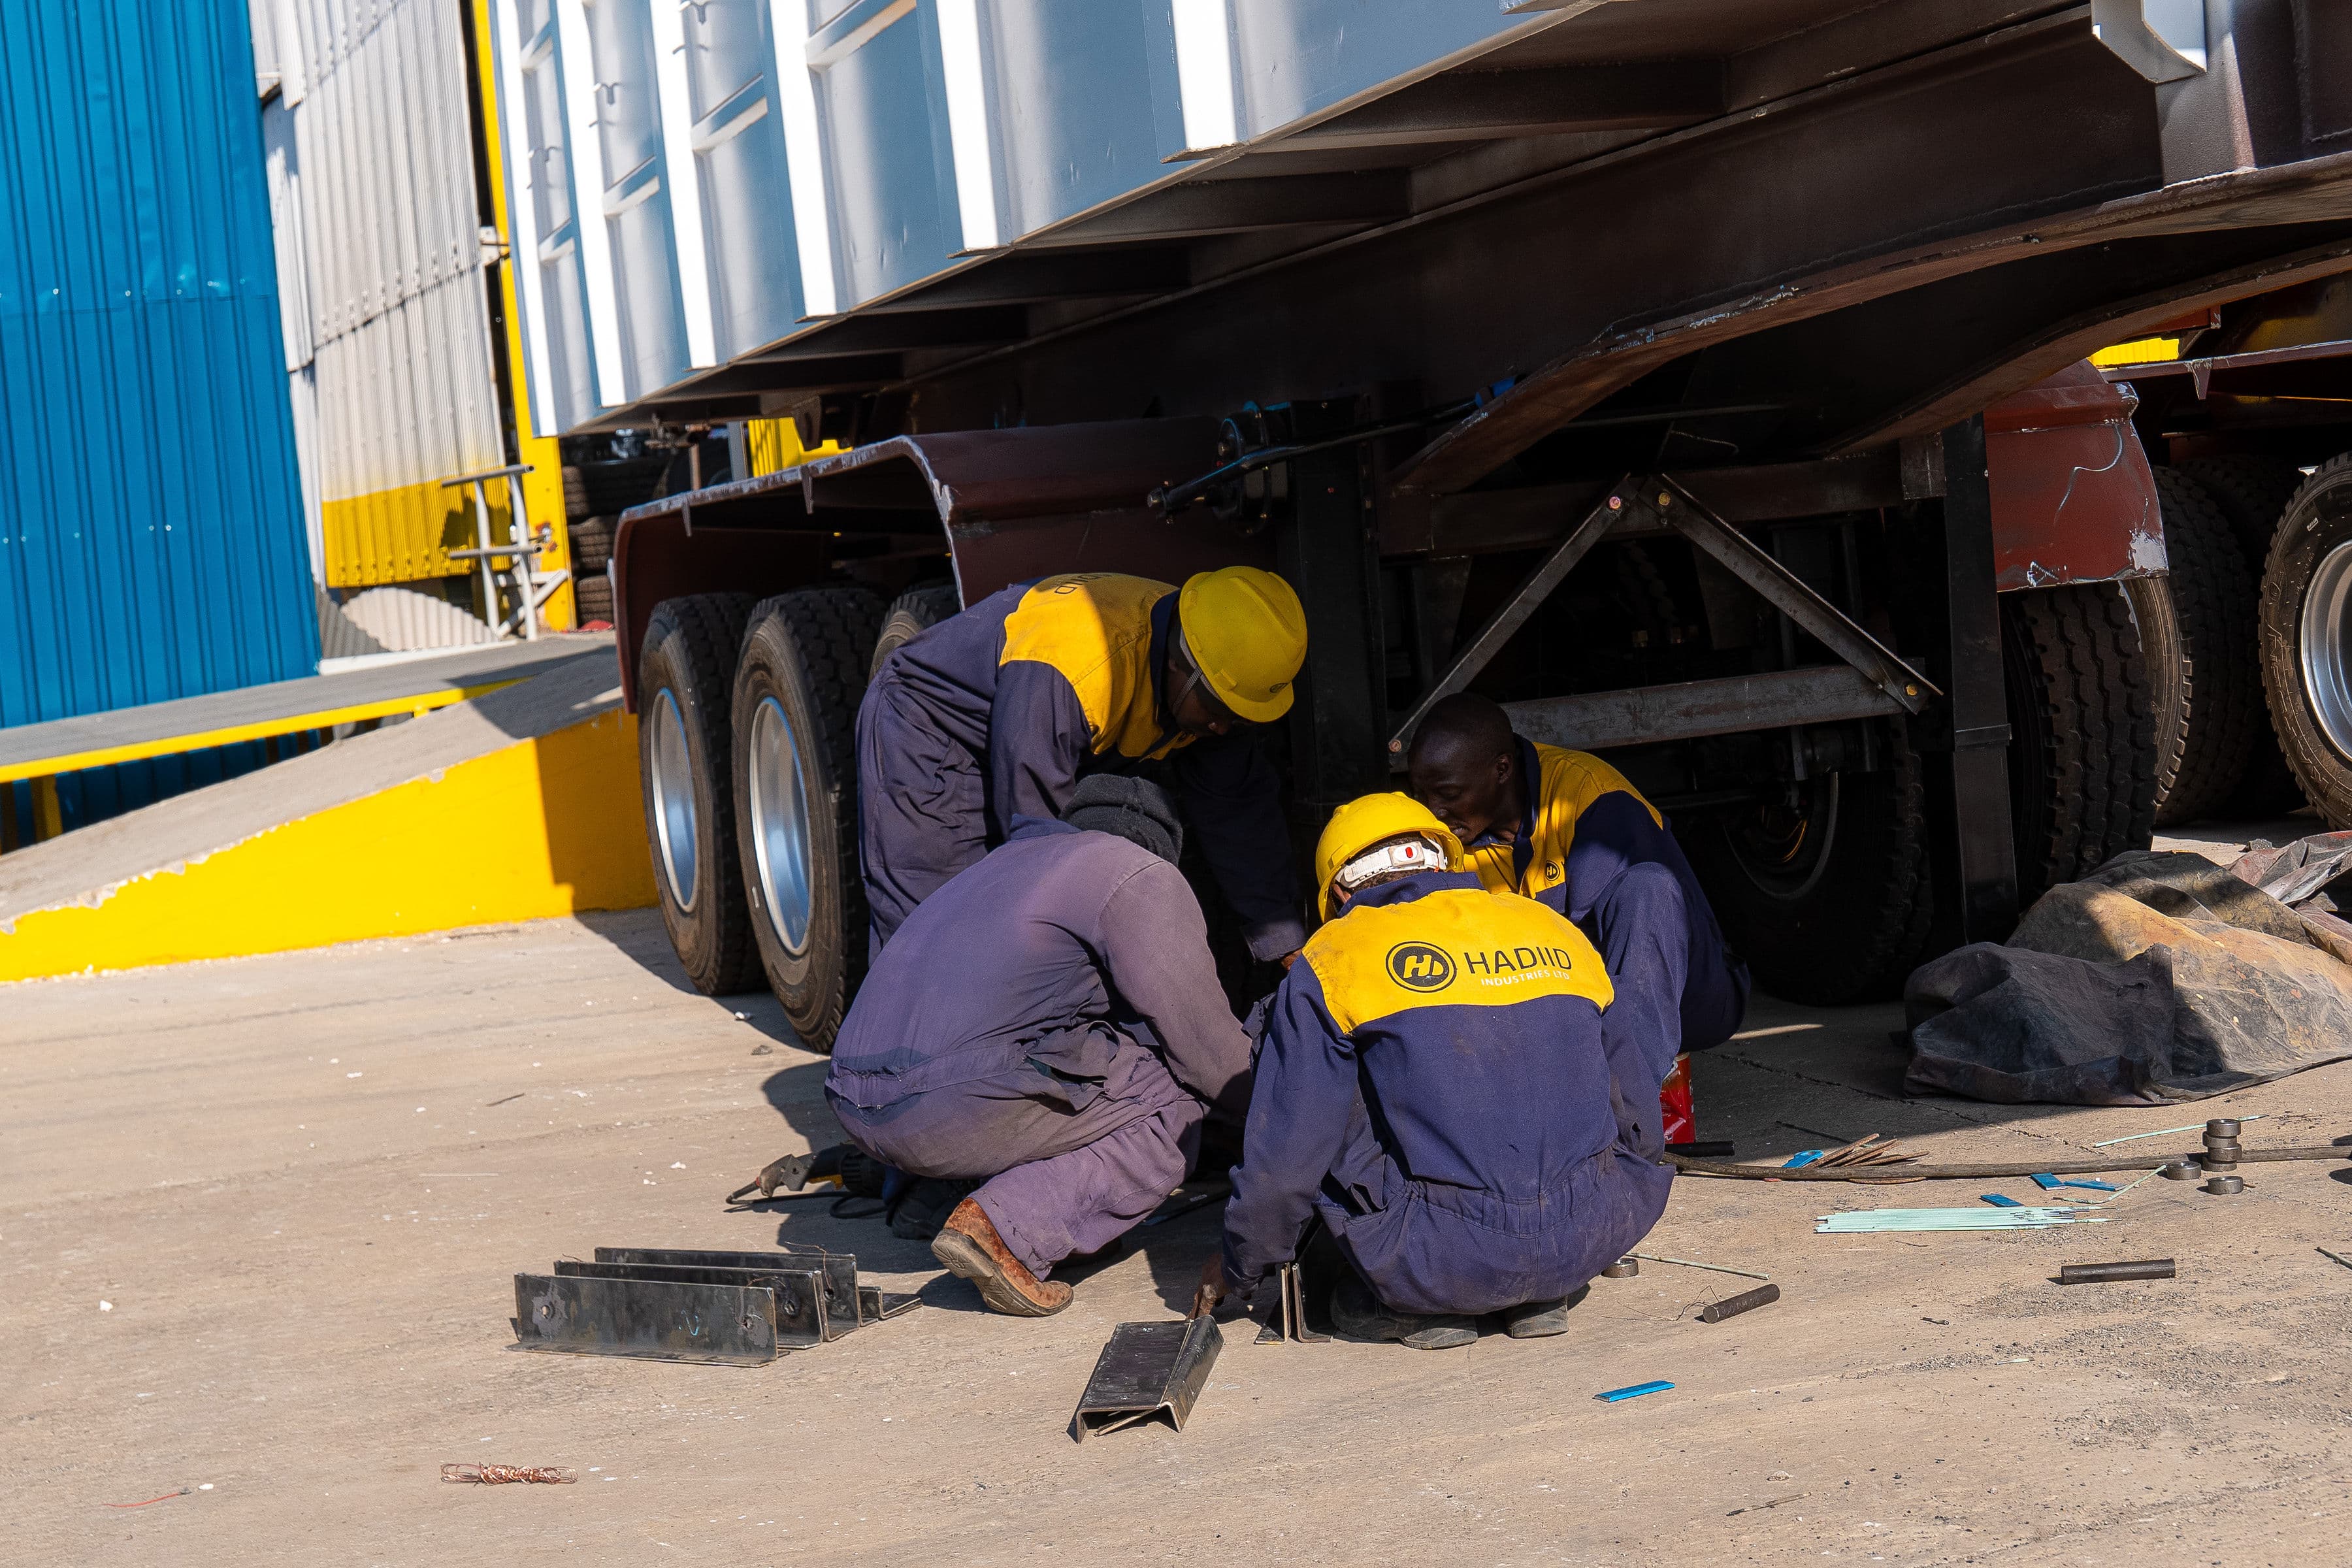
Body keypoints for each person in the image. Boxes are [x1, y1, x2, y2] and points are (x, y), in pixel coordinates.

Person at [1196, 794, 1672, 1348]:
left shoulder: (1335, 958)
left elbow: (1287, 1158)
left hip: (1431, 1264)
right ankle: (1537, 1291)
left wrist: (1241, 1264)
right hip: (1591, 1236)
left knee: (1287, 1043)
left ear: (1342, 893)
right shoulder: (1550, 926)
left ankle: (1433, 1307)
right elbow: (1636, 1108)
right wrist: (1599, 1207)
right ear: (1445, 862)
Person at [825, 776, 1252, 1317]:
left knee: (1081, 1059)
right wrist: (1282, 1125)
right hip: (940, 1108)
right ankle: (1005, 1230)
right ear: (1162, 847)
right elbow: (1209, 1057)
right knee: (1174, 1097)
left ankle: (936, 1207)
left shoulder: (1005, 864)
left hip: (854, 1101)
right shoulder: (1135, 874)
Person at [856, 567, 1308, 961]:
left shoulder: (1214, 658)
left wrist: (1283, 943)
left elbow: (1240, 816)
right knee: (939, 926)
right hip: (931, 731)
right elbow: (1033, 835)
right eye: (1216, 709)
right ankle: (903, 1058)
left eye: (1237, 715)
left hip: (1023, 728)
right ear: (1177, 664)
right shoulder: (1076, 663)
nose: (1223, 728)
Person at [1407, 691, 1748, 1069]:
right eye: (1420, 794)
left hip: (1684, 996)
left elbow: (1600, 957)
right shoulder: (1443, 835)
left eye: (1449, 794)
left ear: (1502, 770)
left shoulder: (1592, 796)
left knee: (1648, 889)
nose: (1432, 812)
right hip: (1561, 1004)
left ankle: (1633, 1105)